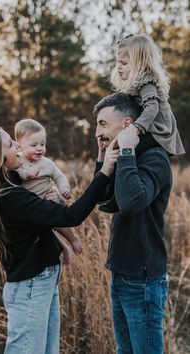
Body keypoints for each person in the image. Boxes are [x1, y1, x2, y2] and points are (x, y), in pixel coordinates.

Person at [0, 126, 118, 354]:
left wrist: (58, 244)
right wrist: (105, 171)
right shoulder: (10, 197)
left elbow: (32, 228)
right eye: (10, 144)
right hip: (30, 288)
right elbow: (71, 216)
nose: (18, 146)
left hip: (39, 283)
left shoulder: (9, 187)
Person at [94, 93, 173, 354]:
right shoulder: (125, 156)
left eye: (103, 124)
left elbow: (130, 202)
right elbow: (105, 199)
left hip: (143, 278)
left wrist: (126, 150)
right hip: (121, 271)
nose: (97, 131)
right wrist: (103, 157)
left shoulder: (154, 158)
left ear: (128, 124)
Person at [14, 118, 82, 264]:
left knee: (58, 223)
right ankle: (62, 247)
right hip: (29, 207)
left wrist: (63, 188)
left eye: (42, 144)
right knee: (42, 232)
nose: (39, 148)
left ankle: (73, 239)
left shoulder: (46, 163)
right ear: (19, 146)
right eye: (34, 145)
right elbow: (10, 177)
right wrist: (24, 174)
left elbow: (59, 176)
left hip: (47, 200)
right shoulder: (16, 161)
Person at [111, 33, 185, 156]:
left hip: (159, 132)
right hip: (150, 130)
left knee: (123, 148)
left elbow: (152, 108)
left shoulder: (147, 83)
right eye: (118, 62)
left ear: (141, 64)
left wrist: (136, 128)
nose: (119, 67)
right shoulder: (136, 84)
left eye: (124, 64)